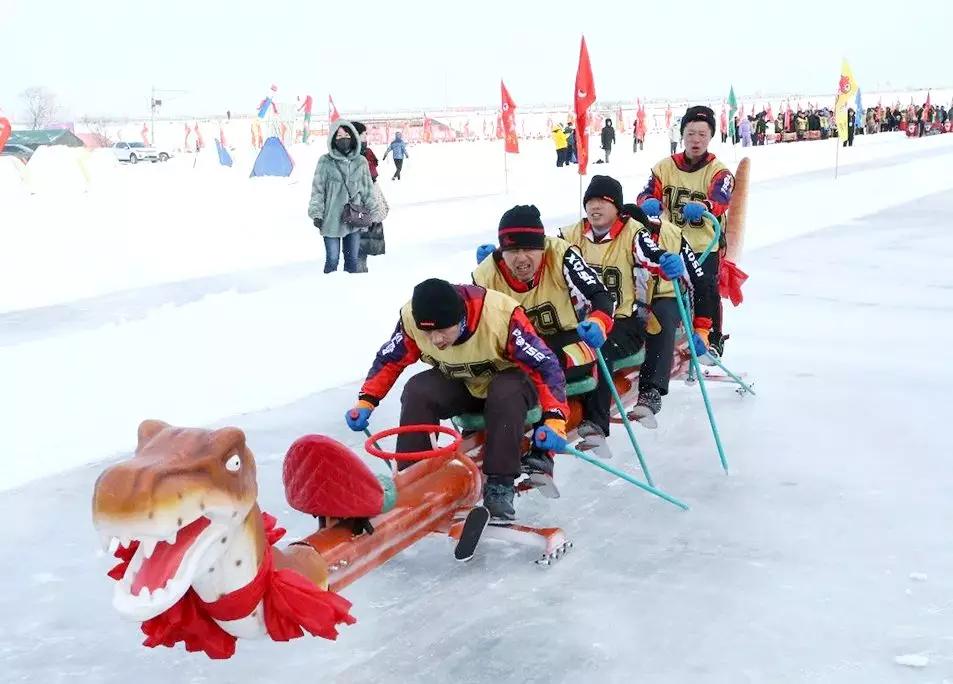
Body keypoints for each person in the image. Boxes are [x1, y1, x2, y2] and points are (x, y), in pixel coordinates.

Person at [345, 278, 569, 520]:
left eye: (442, 330)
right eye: (428, 332)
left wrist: (555, 417)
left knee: (505, 392)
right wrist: (366, 400)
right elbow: (390, 359)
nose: (435, 340)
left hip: (512, 383)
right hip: (464, 381)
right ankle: (414, 481)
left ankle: (500, 485)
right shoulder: (412, 318)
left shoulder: (500, 316)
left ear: (462, 318)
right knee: (418, 389)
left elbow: (545, 365)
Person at [561, 175, 703, 426]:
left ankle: (648, 391)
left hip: (647, 303)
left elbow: (694, 278)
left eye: (602, 202)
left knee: (660, 319)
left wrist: (703, 326)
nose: (595, 207)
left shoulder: (652, 235)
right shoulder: (573, 235)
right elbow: (548, 253)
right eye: (591, 201)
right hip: (592, 316)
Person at [473, 205, 615, 446]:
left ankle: (557, 442)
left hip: (567, 340)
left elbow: (599, 294)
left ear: (542, 247)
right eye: (512, 250)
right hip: (519, 350)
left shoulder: (561, 255)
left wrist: (598, 321)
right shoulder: (486, 274)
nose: (521, 258)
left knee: (548, 365)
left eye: (528, 249)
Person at [637, 106, 734, 358]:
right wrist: (648, 201)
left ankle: (712, 337)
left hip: (705, 242)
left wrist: (705, 206)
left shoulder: (719, 170)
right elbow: (646, 192)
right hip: (673, 241)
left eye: (702, 134)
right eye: (691, 134)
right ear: (682, 135)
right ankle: (668, 334)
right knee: (665, 287)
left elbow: (721, 198)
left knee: (707, 286)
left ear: (710, 137)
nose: (696, 140)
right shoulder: (664, 167)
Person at [308, 120, 383, 273]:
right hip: (330, 220)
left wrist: (374, 213)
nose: (343, 138)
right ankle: (329, 291)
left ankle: (349, 292)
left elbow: (368, 190)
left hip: (354, 219)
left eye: (347, 134)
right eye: (339, 135)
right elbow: (318, 190)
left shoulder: (360, 162)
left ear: (353, 137)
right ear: (333, 139)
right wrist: (317, 213)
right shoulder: (325, 161)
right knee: (332, 260)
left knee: (352, 262)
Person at [352, 121, 387, 273]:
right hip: (359, 200)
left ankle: (360, 266)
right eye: (363, 134)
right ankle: (357, 270)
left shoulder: (367, 152)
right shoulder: (352, 154)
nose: (366, 136)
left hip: (370, 197)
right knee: (359, 236)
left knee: (365, 236)